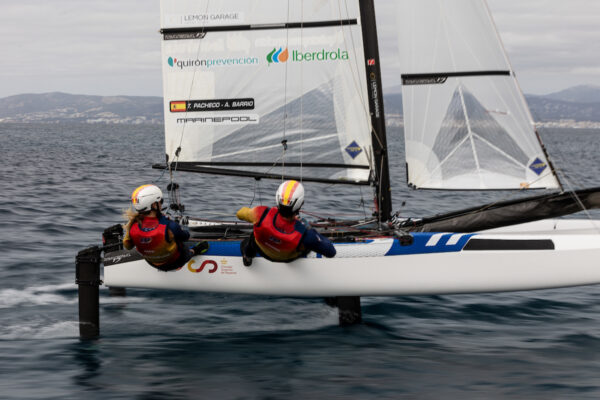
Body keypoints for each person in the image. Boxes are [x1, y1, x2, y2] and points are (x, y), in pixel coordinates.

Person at [236, 180, 336, 266]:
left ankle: (247, 256)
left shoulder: (261, 213)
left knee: (252, 238)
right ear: (300, 204)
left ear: (277, 199)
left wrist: (268, 211)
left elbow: (240, 213)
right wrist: (309, 228)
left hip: (261, 250)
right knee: (307, 244)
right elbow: (331, 252)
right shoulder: (306, 234)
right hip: (288, 258)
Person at [123, 184, 208, 271]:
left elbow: (128, 246)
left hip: (152, 263)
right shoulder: (170, 226)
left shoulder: (131, 226)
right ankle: (195, 250)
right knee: (185, 240)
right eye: (161, 201)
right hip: (175, 262)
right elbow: (186, 236)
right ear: (154, 205)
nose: (161, 204)